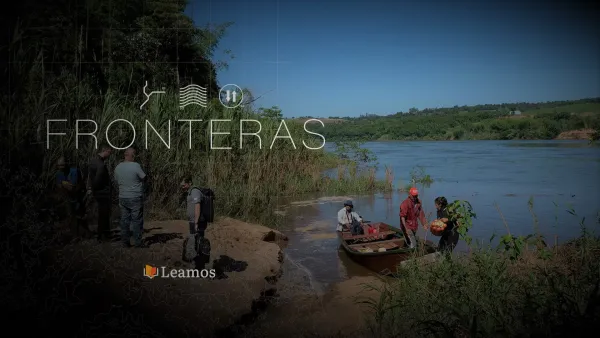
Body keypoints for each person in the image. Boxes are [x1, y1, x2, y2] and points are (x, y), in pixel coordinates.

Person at [114, 147, 147, 248]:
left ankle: (125, 242)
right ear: (131, 155)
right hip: (135, 196)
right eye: (134, 155)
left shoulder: (118, 167)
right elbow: (144, 177)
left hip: (123, 196)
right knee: (136, 220)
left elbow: (116, 180)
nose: (134, 157)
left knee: (124, 220)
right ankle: (138, 242)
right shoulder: (135, 166)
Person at [87, 143, 113, 242]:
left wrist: (92, 189)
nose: (110, 155)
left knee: (103, 214)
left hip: (98, 192)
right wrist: (96, 189)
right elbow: (97, 180)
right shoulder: (101, 165)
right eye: (109, 152)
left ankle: (104, 234)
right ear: (105, 151)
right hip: (103, 192)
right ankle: (101, 235)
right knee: (104, 214)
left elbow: (91, 176)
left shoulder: (93, 161)